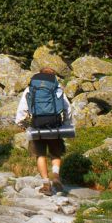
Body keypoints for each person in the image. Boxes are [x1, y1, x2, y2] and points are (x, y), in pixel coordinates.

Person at [15, 67, 76, 195]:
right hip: (54, 123)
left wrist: (20, 121)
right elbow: (67, 108)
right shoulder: (56, 87)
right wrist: (66, 123)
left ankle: (46, 184)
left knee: (40, 155)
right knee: (55, 153)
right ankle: (56, 175)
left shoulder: (32, 87)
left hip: (37, 123)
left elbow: (23, 106)